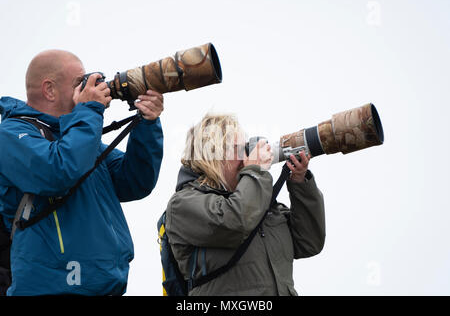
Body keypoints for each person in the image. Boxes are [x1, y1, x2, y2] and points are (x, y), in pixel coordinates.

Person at [0, 50, 164, 295]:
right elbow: (57, 172)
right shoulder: (11, 135)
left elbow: (135, 181)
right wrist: (88, 110)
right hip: (49, 289)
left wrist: (147, 124)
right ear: (50, 90)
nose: (90, 86)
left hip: (106, 287)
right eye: (80, 81)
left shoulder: (79, 139)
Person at [165, 114, 326, 295]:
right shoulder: (182, 205)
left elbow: (308, 242)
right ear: (212, 154)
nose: (246, 157)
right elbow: (234, 222)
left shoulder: (256, 200)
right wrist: (255, 172)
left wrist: (300, 183)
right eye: (239, 149)